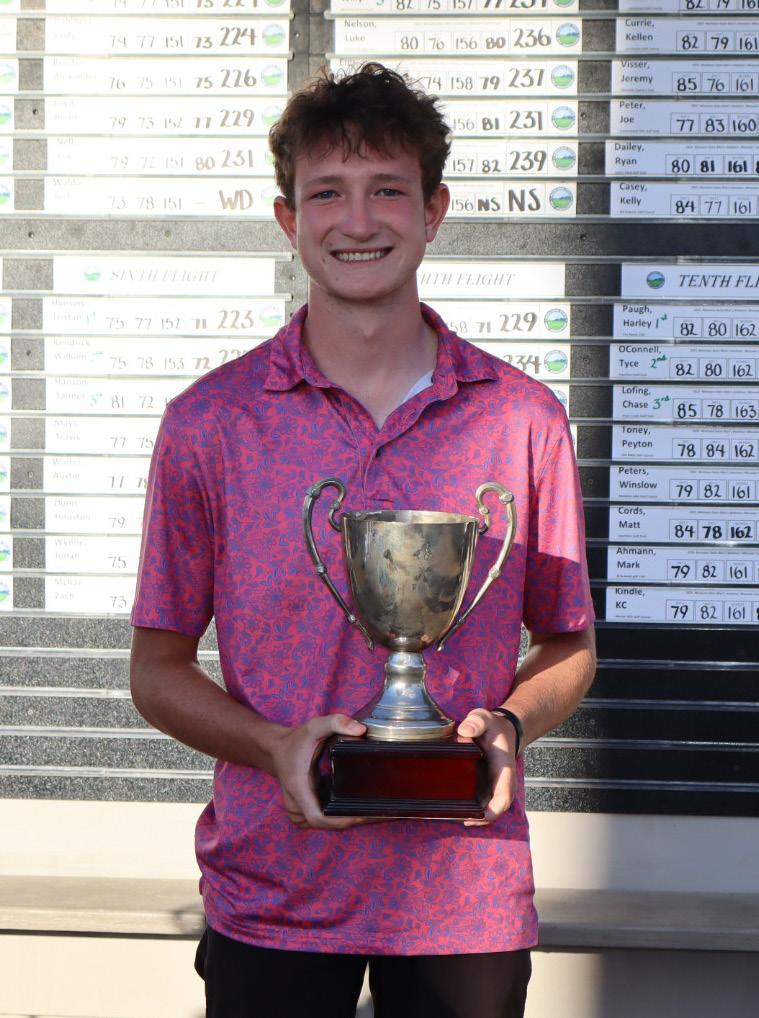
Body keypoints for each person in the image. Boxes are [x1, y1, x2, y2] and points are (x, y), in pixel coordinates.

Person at [130, 63, 596, 1018]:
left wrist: (508, 726)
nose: (356, 221)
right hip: (271, 892)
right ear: (286, 219)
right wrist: (272, 746)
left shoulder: (521, 419)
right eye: (326, 194)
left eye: (387, 190)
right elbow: (157, 670)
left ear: (433, 212)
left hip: (464, 897)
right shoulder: (209, 421)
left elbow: (568, 645)